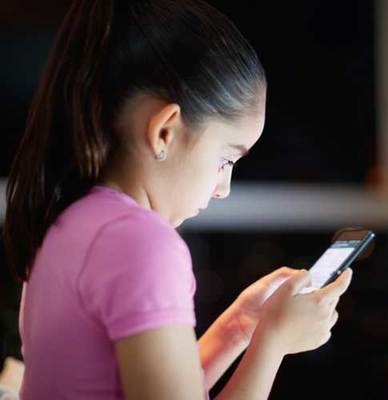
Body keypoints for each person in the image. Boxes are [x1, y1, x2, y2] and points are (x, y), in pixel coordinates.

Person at [2, 1, 353, 399]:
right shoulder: (141, 242)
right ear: (165, 131)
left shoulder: (67, 222)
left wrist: (239, 326)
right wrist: (272, 344)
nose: (223, 187)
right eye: (225, 159)